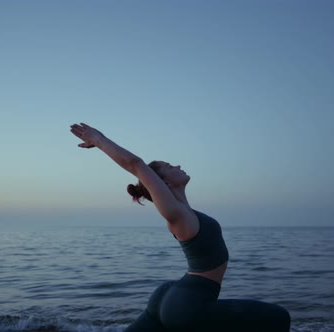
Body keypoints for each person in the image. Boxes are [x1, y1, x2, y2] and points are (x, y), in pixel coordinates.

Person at [70, 122, 291, 332]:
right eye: (169, 166)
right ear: (163, 184)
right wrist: (99, 140)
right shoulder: (175, 214)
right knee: (278, 318)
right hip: (188, 303)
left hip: (172, 295)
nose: (177, 165)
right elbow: (136, 165)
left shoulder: (185, 211)